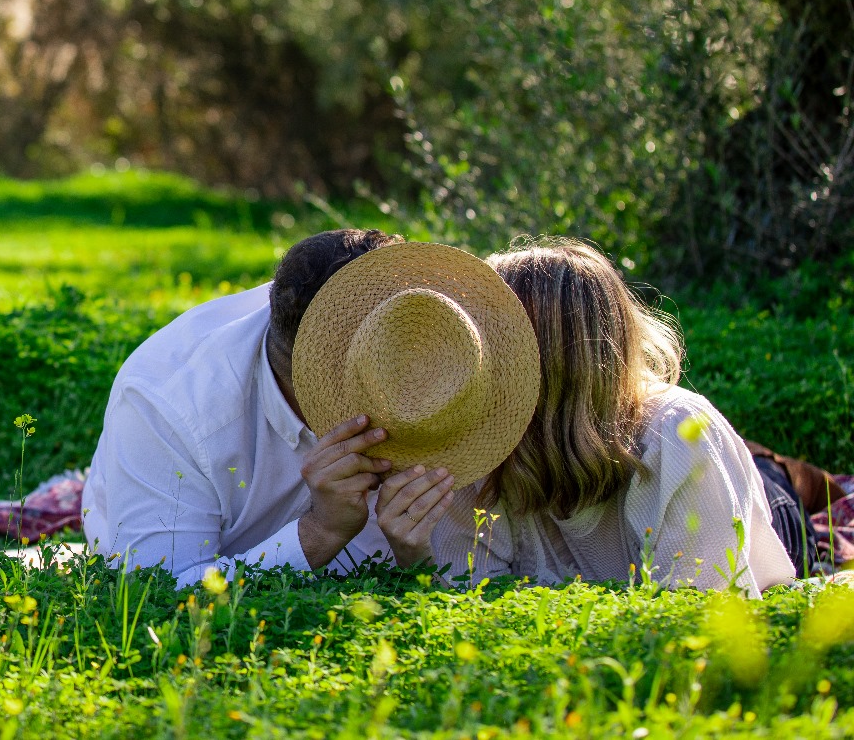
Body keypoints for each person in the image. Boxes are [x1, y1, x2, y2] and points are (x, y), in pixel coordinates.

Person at [82, 231, 528, 586]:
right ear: (308, 377)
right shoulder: (169, 405)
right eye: (359, 389)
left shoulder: (442, 357)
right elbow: (158, 593)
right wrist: (320, 532)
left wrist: (417, 557)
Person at [431, 238, 795, 594]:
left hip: (767, 516)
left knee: (793, 487)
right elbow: (472, 598)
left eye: (491, 341)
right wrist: (412, 552)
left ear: (556, 363)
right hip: (625, 448)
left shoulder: (677, 433)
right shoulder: (480, 442)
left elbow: (703, 617)